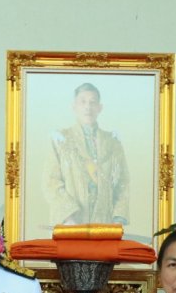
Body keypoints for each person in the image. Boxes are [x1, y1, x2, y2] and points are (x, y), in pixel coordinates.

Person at [44, 82, 130, 228]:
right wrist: (68, 217)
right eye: (82, 102)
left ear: (99, 108)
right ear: (74, 107)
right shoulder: (60, 139)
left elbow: (123, 182)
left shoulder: (113, 143)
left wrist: (118, 219)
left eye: (92, 102)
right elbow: (51, 182)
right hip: (70, 224)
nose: (88, 107)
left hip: (105, 226)